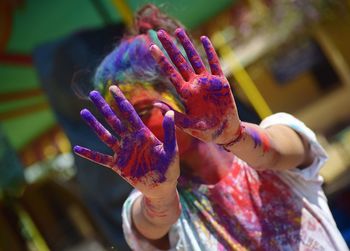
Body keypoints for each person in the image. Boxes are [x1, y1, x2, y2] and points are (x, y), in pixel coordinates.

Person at [73, 4, 348, 250]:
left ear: (182, 96)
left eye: (142, 112)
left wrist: (234, 136)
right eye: (124, 123)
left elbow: (277, 151)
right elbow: (153, 222)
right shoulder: (149, 200)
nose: (136, 134)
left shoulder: (274, 132)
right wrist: (157, 194)